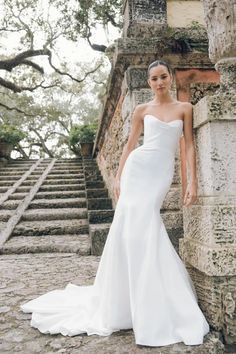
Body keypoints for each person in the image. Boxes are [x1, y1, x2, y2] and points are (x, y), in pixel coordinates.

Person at [20, 60, 210, 347]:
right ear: (149, 82)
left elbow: (189, 147)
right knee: (132, 230)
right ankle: (128, 299)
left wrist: (191, 182)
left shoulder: (185, 109)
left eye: (163, 77)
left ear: (171, 78)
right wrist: (119, 176)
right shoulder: (141, 110)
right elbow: (130, 144)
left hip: (158, 175)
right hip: (137, 169)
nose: (159, 82)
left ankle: (153, 297)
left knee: (146, 224)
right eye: (154, 78)